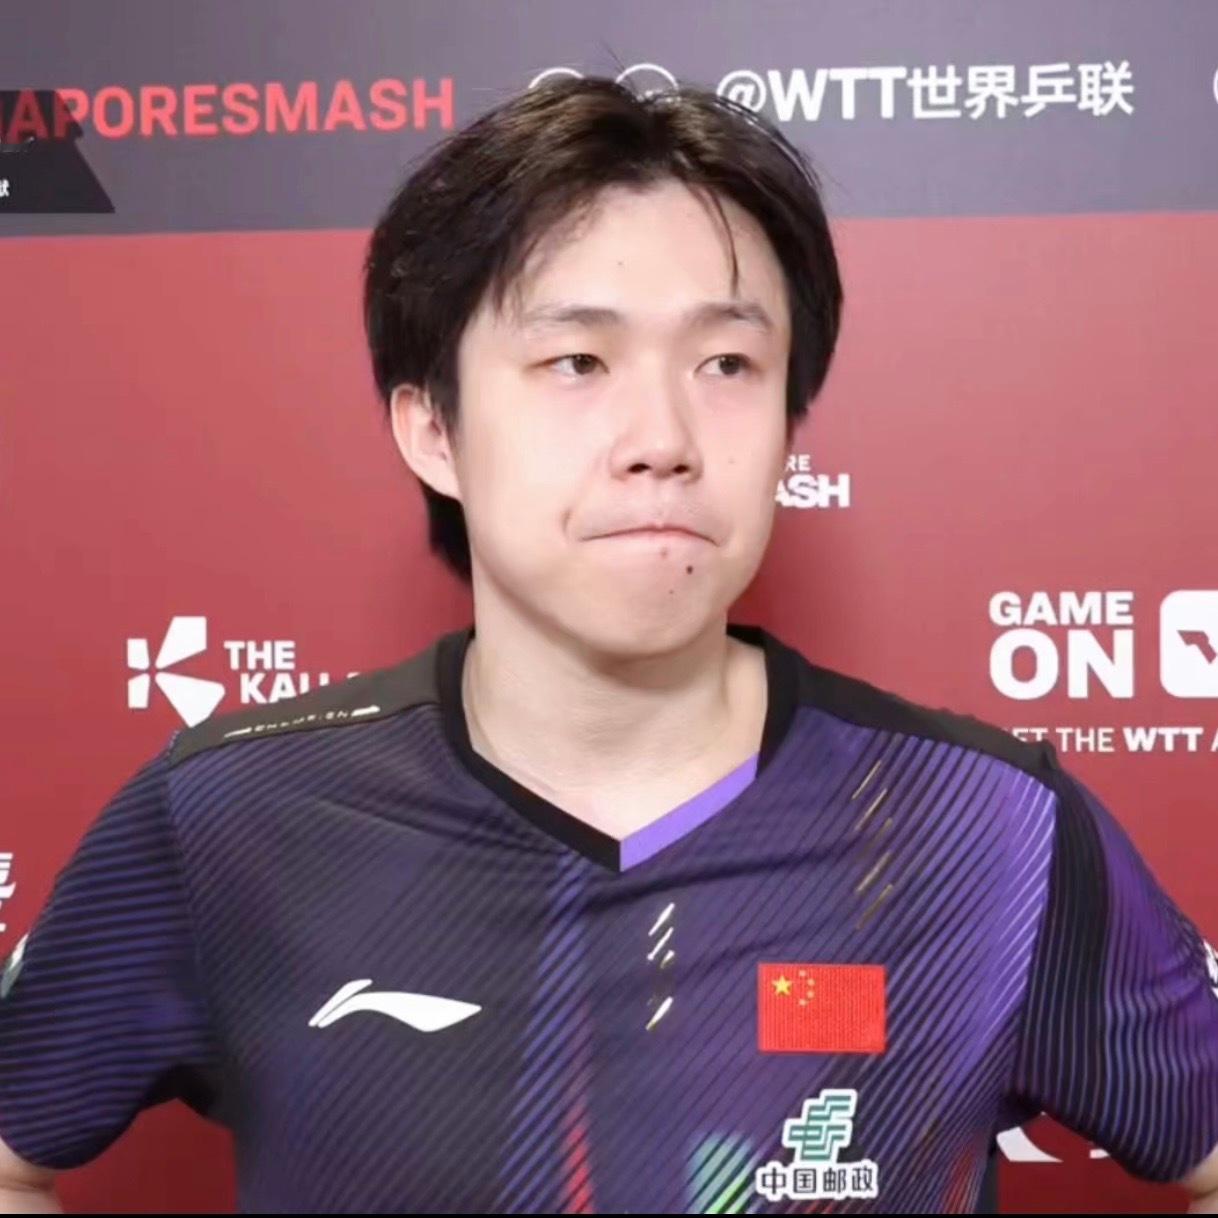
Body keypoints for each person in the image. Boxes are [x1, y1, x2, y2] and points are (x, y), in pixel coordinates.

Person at [2, 75, 1216, 1215]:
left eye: (728, 363)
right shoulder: (232, 816)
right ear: (433, 430)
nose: (663, 438)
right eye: (576, 361)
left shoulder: (989, 830)